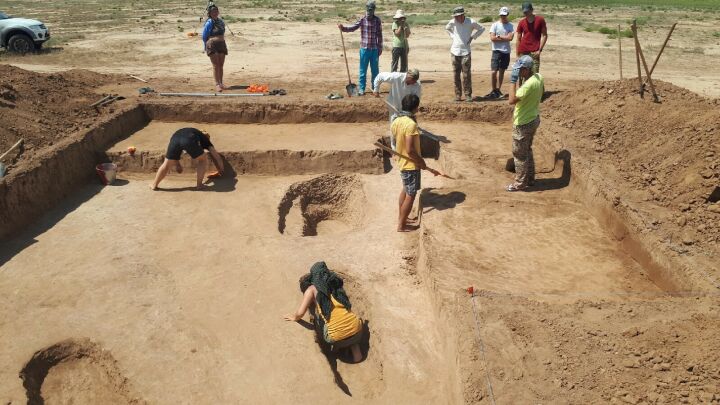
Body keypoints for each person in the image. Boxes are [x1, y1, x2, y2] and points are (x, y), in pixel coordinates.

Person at [284, 262, 364, 363]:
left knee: (320, 319)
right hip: (358, 330)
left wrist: (294, 317)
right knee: (348, 324)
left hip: (337, 338)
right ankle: (356, 351)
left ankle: (335, 351)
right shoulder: (336, 284)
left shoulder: (312, 289)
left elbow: (300, 314)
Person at [392, 94, 439, 231]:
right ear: (415, 107)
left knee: (406, 190)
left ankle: (403, 217)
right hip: (411, 165)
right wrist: (421, 162)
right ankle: (401, 224)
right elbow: (410, 150)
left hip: (403, 162)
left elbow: (396, 143)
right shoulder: (410, 125)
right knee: (411, 195)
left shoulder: (396, 121)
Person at [507, 55, 544, 192]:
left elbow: (511, 100)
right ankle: (530, 178)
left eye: (519, 70)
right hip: (533, 119)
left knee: (519, 154)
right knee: (527, 150)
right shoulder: (539, 77)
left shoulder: (527, 86)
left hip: (523, 123)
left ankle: (520, 183)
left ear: (527, 70)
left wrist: (513, 81)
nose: (517, 72)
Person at [151, 127, 225, 190]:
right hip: (188, 139)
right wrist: (221, 171)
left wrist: (177, 164)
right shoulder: (205, 140)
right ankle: (199, 185)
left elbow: (178, 148)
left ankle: (154, 184)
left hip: (174, 138)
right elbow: (216, 156)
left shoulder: (193, 131)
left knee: (166, 164)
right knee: (203, 159)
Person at [338, 1, 383, 96]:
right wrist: (343, 28)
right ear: (366, 9)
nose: (370, 11)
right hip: (364, 49)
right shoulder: (362, 19)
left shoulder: (377, 20)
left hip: (374, 49)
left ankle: (375, 88)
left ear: (374, 9)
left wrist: (380, 47)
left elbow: (380, 35)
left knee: (375, 71)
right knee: (363, 70)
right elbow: (353, 27)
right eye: (369, 9)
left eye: (372, 9)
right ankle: (362, 89)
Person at [372, 68, 422, 149]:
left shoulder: (417, 85)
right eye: (412, 81)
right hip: (394, 105)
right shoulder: (396, 77)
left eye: (415, 81)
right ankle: (394, 146)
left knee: (408, 126)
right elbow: (380, 76)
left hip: (407, 109)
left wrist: (412, 110)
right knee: (394, 124)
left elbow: (416, 99)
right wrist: (376, 90)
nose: (413, 83)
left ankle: (407, 146)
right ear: (407, 76)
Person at [445, 6, 485, 102]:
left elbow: (482, 28)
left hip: (466, 52)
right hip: (454, 52)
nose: (455, 18)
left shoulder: (471, 22)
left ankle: (468, 95)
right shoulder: (453, 22)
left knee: (466, 75)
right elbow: (447, 28)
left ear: (462, 15)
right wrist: (453, 36)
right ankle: (458, 95)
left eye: (457, 16)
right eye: (454, 16)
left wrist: (473, 37)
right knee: (456, 75)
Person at [485, 7, 514, 99]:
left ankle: (498, 89)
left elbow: (510, 38)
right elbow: (492, 38)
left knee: (501, 71)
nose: (503, 17)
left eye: (504, 15)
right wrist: (504, 37)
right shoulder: (495, 25)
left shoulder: (510, 26)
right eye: (501, 15)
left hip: (506, 52)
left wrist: (499, 36)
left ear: (507, 15)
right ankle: (494, 90)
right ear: (499, 15)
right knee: (494, 71)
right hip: (496, 51)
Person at [202, 4, 228, 92]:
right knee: (216, 65)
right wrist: (205, 46)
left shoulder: (221, 21)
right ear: (209, 13)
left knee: (221, 65)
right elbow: (204, 36)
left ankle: (221, 83)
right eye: (213, 11)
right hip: (212, 44)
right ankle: (217, 84)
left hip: (221, 43)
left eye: (216, 11)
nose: (215, 13)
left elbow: (223, 32)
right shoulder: (209, 22)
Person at [516, 2, 547, 74]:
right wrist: (517, 55)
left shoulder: (540, 20)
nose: (526, 13)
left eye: (527, 11)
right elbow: (518, 39)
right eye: (524, 12)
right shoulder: (521, 22)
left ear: (532, 10)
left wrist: (540, 50)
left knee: (534, 75)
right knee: (523, 75)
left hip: (534, 52)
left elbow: (544, 35)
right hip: (523, 52)